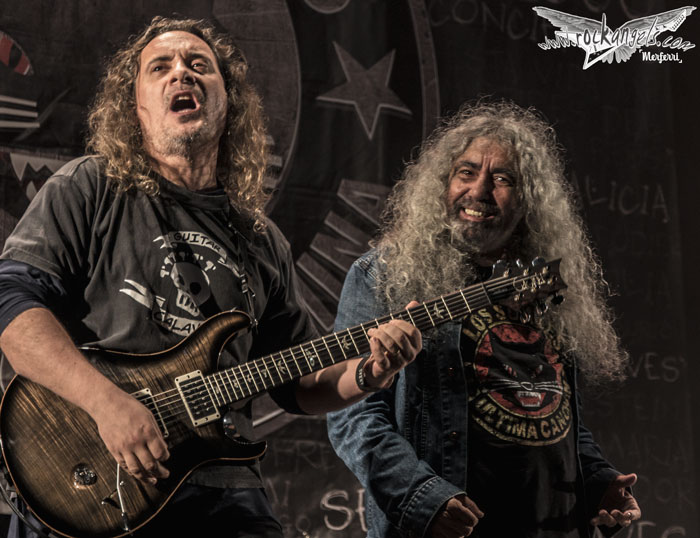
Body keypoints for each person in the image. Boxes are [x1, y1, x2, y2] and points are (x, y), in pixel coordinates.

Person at [0, 16, 421, 538]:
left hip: (223, 489)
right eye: (161, 68)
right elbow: (13, 306)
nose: (183, 73)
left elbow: (298, 383)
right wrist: (105, 404)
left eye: (200, 65)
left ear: (228, 101)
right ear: (136, 106)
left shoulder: (261, 241)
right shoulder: (89, 187)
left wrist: (369, 373)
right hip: (99, 477)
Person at [327, 102, 641, 538]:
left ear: (528, 198)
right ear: (443, 183)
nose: (480, 191)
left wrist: (598, 482)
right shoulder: (383, 276)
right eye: (466, 172)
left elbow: (555, 417)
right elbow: (354, 416)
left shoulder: (542, 284)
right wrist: (422, 498)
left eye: (503, 179)